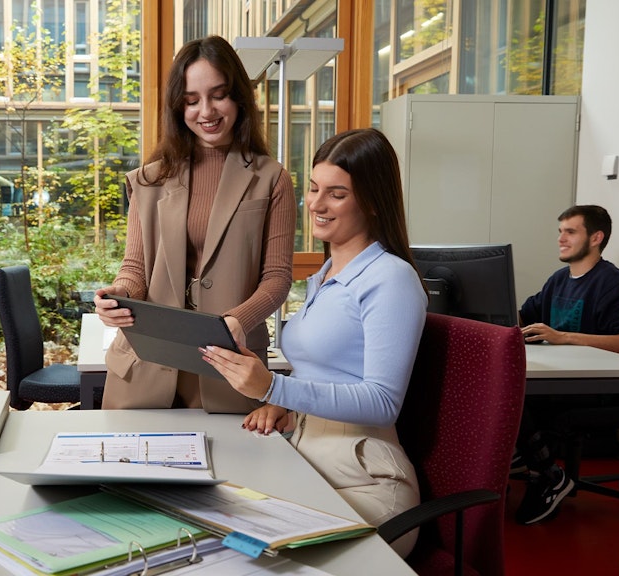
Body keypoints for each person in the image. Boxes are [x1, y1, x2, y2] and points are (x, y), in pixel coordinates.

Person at [200, 128, 427, 558]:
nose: (316, 204)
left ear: (374, 201)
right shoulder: (324, 277)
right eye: (314, 188)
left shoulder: (391, 279)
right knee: (210, 528)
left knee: (240, 553)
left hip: (364, 478)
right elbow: (326, 370)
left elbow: (382, 402)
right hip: (306, 455)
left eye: (336, 194)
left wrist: (272, 388)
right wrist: (282, 402)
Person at [93, 35, 296, 413]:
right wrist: (118, 296)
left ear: (238, 97)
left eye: (218, 95)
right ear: (178, 106)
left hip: (231, 370)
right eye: (191, 100)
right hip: (145, 368)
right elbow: (135, 268)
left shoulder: (272, 179)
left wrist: (237, 320)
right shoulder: (147, 181)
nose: (206, 110)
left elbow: (277, 278)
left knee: (237, 473)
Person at [513, 204, 619, 525]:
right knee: (502, 386)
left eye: (570, 232)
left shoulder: (613, 284)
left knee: (516, 395)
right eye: (560, 231)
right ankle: (531, 461)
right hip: (561, 378)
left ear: (596, 238)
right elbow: (525, 315)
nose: (561, 238)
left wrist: (565, 338)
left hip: (599, 388)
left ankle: (548, 475)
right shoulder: (559, 280)